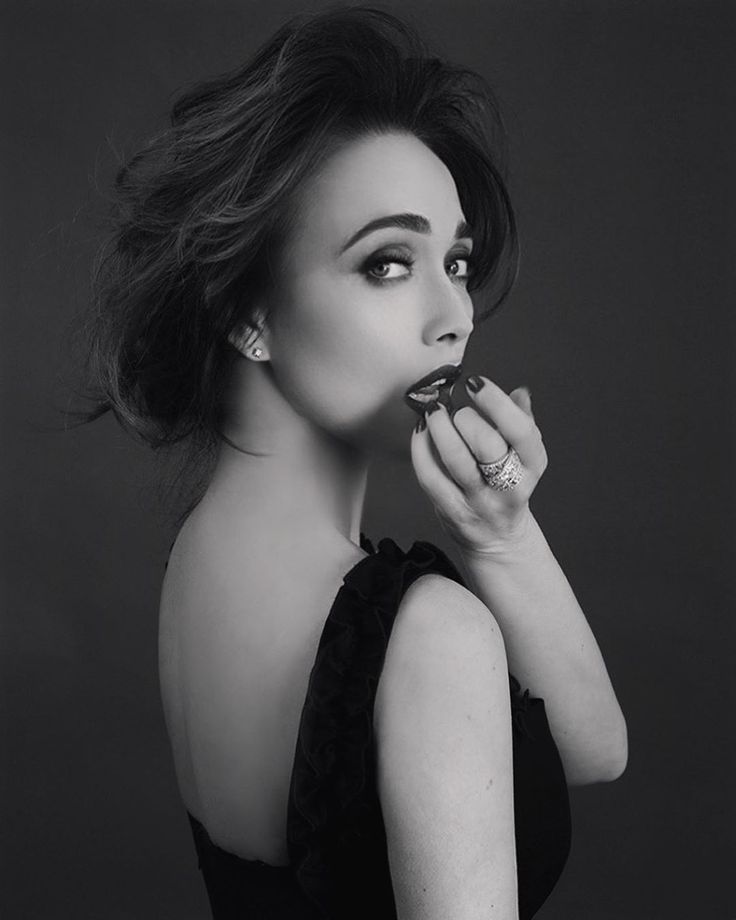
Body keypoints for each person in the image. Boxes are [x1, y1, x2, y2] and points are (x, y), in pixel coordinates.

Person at [75, 5, 627, 917]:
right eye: (385, 263)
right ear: (246, 313)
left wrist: (502, 536)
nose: (455, 315)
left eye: (454, 261)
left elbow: (594, 750)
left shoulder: (200, 558)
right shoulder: (430, 639)